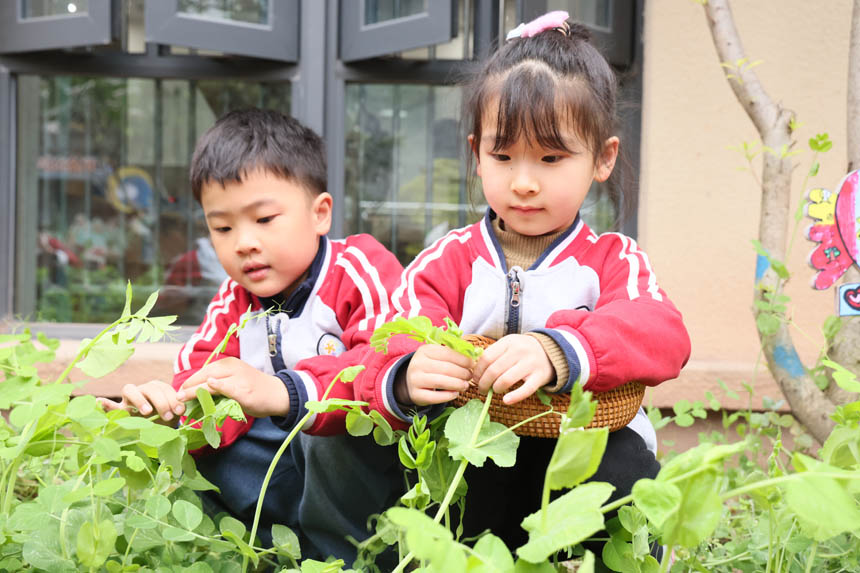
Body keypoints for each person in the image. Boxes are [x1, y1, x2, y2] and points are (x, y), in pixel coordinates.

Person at [356, 11, 691, 559]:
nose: (524, 182)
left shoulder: (611, 259)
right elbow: (390, 332)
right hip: (478, 453)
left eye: (552, 158)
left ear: (602, 158)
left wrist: (559, 349)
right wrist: (409, 368)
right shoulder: (449, 259)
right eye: (503, 156)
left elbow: (661, 332)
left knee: (624, 465)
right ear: (476, 154)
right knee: (424, 475)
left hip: (581, 454)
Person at [99, 108, 405, 565]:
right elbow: (199, 379)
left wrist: (285, 392)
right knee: (202, 450)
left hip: (367, 491)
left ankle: (342, 561)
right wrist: (170, 411)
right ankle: (265, 551)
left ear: (320, 214)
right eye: (222, 228)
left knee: (327, 428)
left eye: (263, 219)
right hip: (281, 484)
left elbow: (389, 363)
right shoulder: (232, 301)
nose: (243, 242)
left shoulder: (357, 269)